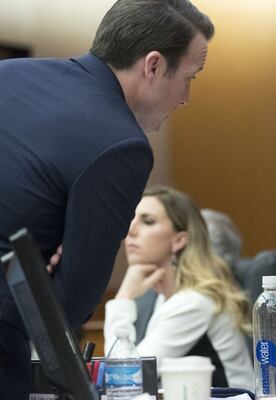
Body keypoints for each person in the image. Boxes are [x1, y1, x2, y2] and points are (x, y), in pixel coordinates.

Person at [0, 0, 214, 397]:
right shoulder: (120, 145)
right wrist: (51, 274)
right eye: (190, 78)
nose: (185, 97)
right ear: (152, 66)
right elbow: (68, 305)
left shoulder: (8, 73)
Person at [104, 186, 253, 390]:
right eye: (132, 219)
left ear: (179, 240)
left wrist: (123, 297)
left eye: (148, 221)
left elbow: (124, 378)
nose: (131, 230)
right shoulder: (162, 298)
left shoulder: (194, 302)